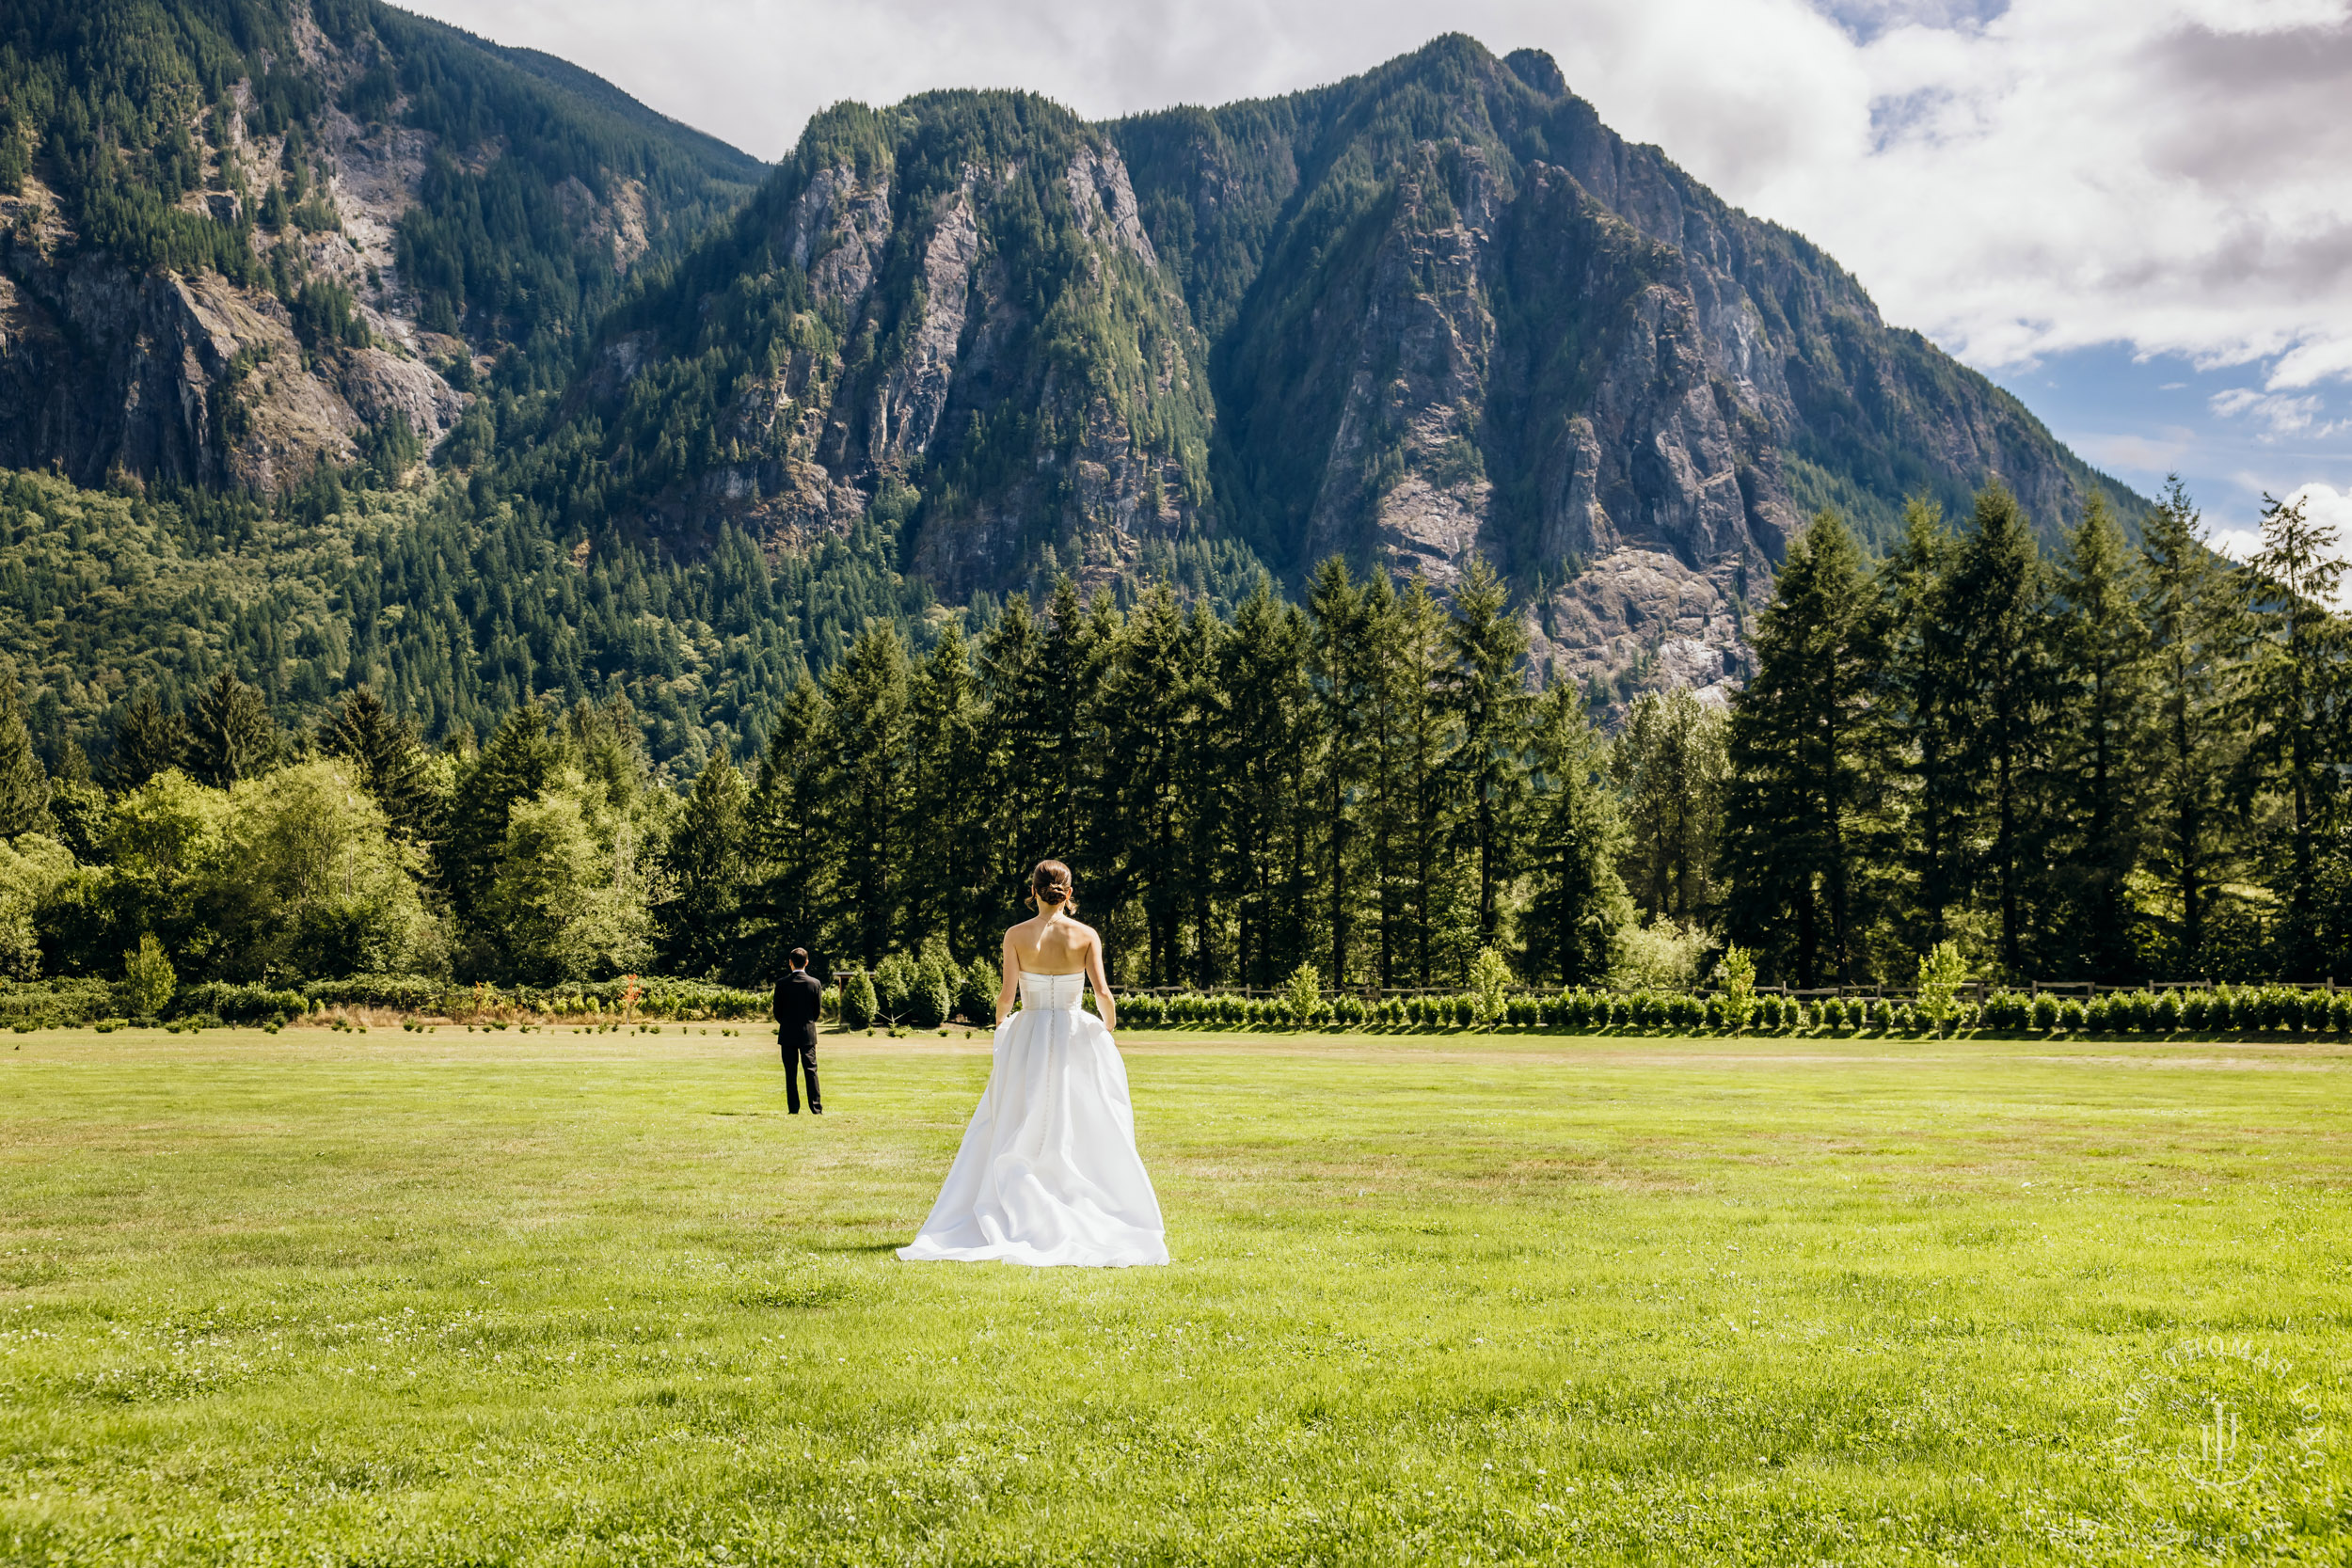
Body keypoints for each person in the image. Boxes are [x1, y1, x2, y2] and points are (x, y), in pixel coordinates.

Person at [898, 860, 1167, 1267]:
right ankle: (1083, 1195)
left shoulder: (1016, 935)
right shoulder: (1086, 935)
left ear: (1034, 890)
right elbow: (1102, 993)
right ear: (1069, 892)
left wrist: (1003, 1028)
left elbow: (1007, 995)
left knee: (1019, 1119)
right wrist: (1106, 1029)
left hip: (1030, 1034)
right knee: (1084, 1118)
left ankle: (1021, 1195)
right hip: (1075, 1035)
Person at [771, 947, 824, 1115]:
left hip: (787, 1032)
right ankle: (816, 1108)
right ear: (807, 962)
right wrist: (808, 1022)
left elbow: (777, 1012)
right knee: (811, 1070)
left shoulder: (781, 984)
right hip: (807, 1032)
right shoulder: (815, 983)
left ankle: (793, 1108)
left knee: (791, 1072)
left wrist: (786, 1022)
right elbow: (816, 1011)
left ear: (790, 963)